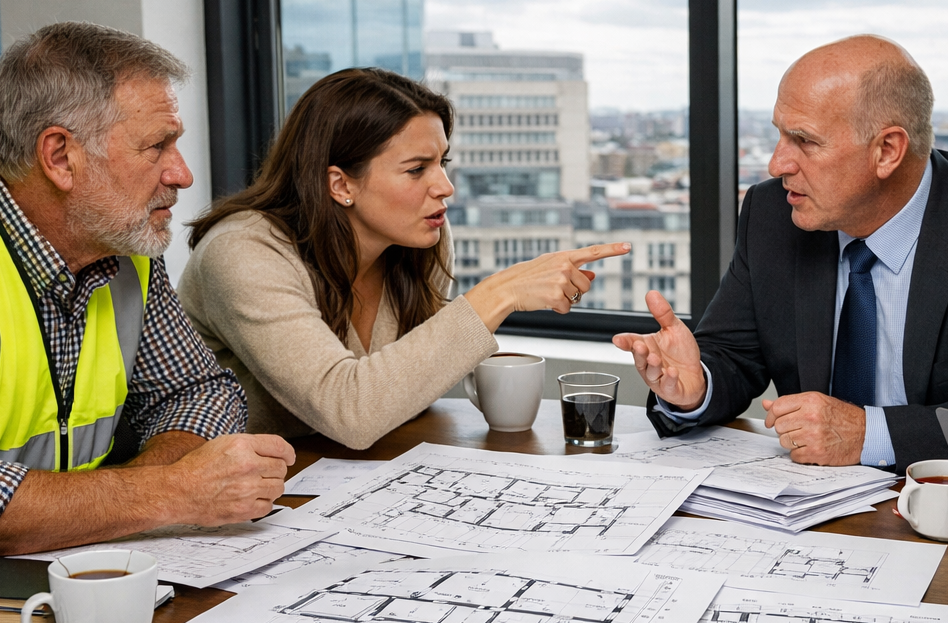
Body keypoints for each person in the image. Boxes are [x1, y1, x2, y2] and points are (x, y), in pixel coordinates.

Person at [0, 22, 291, 560]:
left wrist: (120, 503)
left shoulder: (120, 242)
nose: (181, 174)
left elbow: (199, 393)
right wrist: (172, 493)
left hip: (66, 565)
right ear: (60, 157)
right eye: (157, 146)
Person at [613, 35, 948, 469]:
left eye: (804, 141)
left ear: (887, 150)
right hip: (805, 510)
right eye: (780, 135)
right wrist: (697, 385)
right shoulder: (772, 213)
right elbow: (734, 355)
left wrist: (871, 435)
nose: (777, 163)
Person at [179, 69, 629, 448]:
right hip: (223, 502)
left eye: (442, 163)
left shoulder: (423, 239)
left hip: (340, 477)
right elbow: (349, 413)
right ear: (341, 185)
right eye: (417, 170)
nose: (444, 187)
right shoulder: (242, 253)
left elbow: (404, 389)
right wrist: (501, 293)